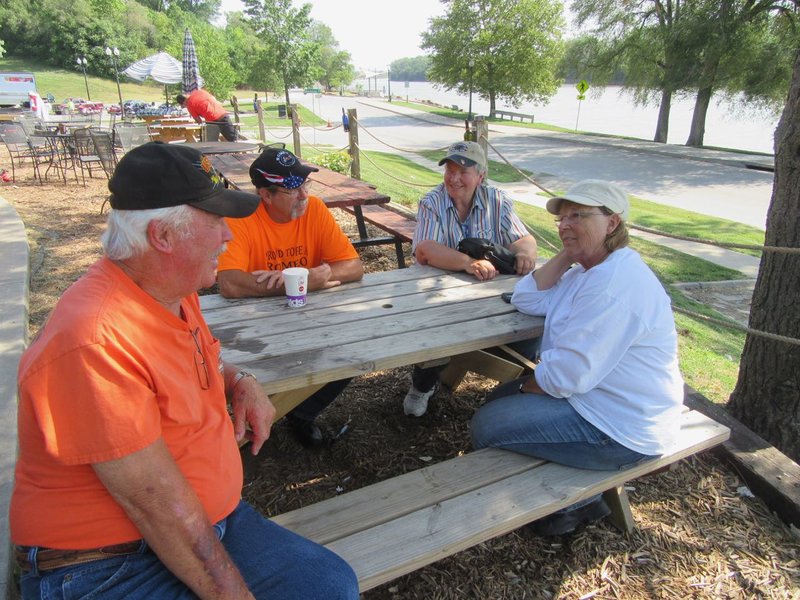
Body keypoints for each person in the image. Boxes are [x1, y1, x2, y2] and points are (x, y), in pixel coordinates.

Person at [10, 142, 359, 600]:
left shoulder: (171, 290)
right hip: (107, 561)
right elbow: (156, 507)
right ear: (163, 236)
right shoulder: (95, 341)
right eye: (215, 222)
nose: (228, 237)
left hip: (203, 520)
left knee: (331, 585)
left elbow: (205, 356)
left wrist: (242, 381)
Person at [471, 180, 684, 536]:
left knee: (487, 425)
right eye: (562, 219)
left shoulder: (613, 284)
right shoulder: (586, 271)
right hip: (598, 401)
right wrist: (569, 252)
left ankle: (572, 505)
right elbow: (526, 298)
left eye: (578, 216)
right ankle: (572, 491)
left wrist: (524, 388)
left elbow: (565, 378)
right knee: (497, 402)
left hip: (622, 428)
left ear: (612, 223)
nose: (565, 224)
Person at [217, 147, 364, 446]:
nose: (302, 196)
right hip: (253, 328)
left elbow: (353, 266)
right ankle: (253, 419)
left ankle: (301, 412)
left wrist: (305, 279)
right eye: (292, 189)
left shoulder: (316, 210)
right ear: (265, 195)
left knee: (355, 350)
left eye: (304, 185)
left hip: (309, 317)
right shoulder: (240, 217)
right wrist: (297, 282)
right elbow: (229, 284)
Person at [402, 140, 538, 417]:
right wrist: (469, 263)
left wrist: (524, 252)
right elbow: (425, 249)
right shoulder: (433, 201)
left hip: (486, 294)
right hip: (436, 296)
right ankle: (422, 386)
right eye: (449, 170)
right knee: (434, 330)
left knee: (532, 326)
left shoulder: (497, 200)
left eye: (463, 171)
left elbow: (524, 238)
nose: (454, 178)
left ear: (481, 176)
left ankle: (517, 389)